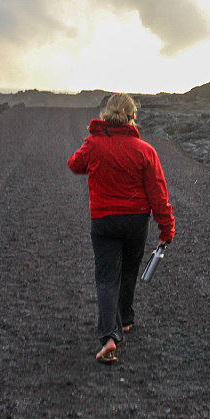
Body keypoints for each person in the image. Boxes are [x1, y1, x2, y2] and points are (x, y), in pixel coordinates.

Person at [68, 93, 175, 363]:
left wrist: (93, 142)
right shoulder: (145, 150)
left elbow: (74, 164)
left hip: (103, 220)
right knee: (128, 270)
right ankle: (125, 319)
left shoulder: (93, 144)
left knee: (106, 277)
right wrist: (166, 228)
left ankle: (109, 337)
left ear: (107, 115)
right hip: (135, 221)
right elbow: (158, 194)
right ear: (132, 116)